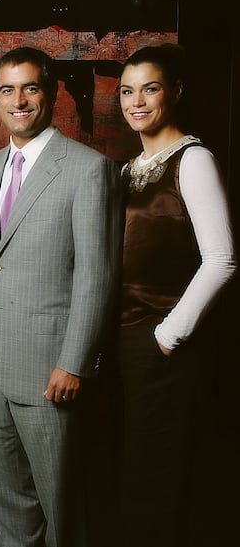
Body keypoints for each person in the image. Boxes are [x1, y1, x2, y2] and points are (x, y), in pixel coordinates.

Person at [0, 47, 122, 547]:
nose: (19, 99)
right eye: (8, 89)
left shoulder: (88, 168)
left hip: (49, 366)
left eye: (31, 87)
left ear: (51, 94)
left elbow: (98, 275)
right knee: (5, 495)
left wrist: (74, 362)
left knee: (61, 501)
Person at [115, 44, 236, 546]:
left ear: (176, 92)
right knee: (133, 477)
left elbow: (222, 260)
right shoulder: (129, 168)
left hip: (164, 349)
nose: (136, 101)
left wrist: (167, 337)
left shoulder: (194, 159)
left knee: (162, 481)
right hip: (125, 346)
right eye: (126, 91)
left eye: (150, 88)